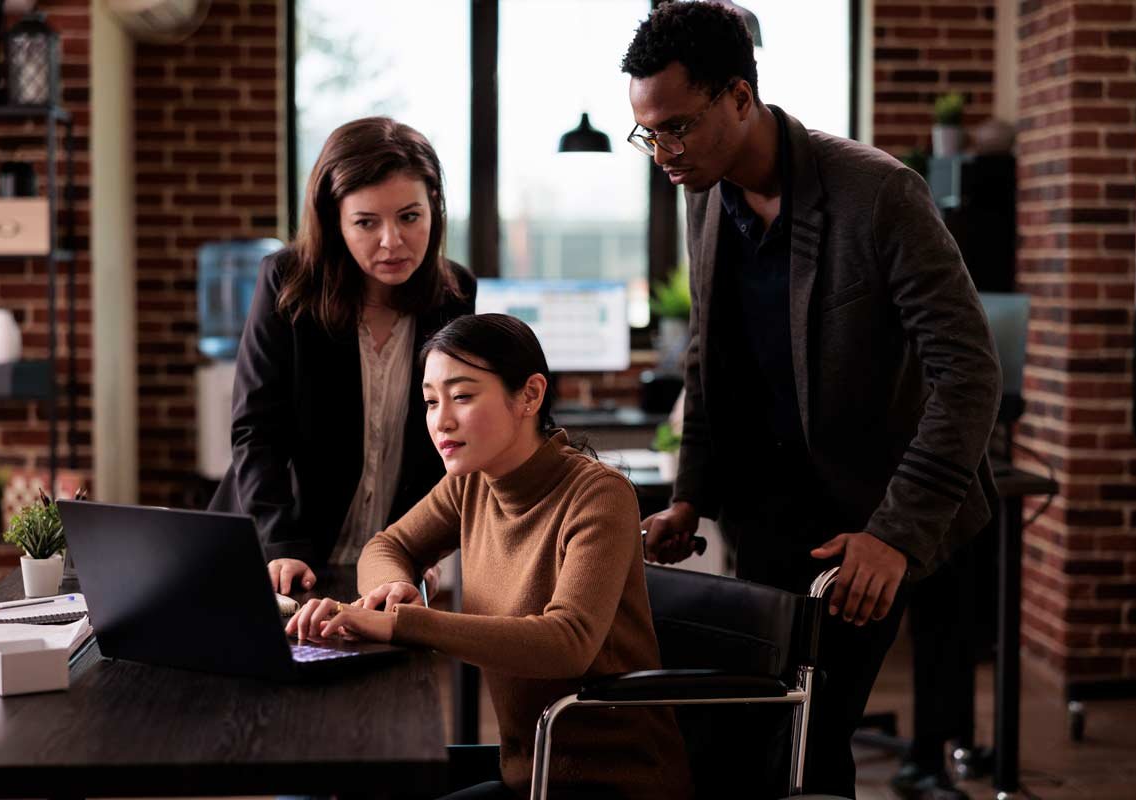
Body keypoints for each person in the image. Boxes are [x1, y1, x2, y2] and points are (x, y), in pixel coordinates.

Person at [621, 3, 1001, 797]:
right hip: (767, 521)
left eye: (677, 127)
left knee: (809, 740)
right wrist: (690, 495)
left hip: (867, 525)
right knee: (754, 737)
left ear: (739, 96)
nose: (663, 152)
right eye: (648, 134)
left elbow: (969, 372)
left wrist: (893, 534)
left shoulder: (879, 194)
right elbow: (707, 357)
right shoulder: (703, 191)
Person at [286, 313, 693, 800]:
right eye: (431, 401)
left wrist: (402, 623)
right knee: (314, 786)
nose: (441, 420)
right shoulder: (471, 482)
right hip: (527, 771)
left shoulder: (599, 495)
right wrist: (392, 589)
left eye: (462, 396)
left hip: (610, 784)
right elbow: (388, 546)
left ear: (530, 395)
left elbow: (568, 641)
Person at [210, 117, 475, 596]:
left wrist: (420, 546)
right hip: (280, 554)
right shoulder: (286, 282)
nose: (392, 241)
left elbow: (441, 435)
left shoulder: (453, 293)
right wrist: (281, 544)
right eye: (366, 222)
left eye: (409, 217)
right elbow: (257, 432)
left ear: (434, 209)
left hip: (386, 564)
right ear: (335, 221)